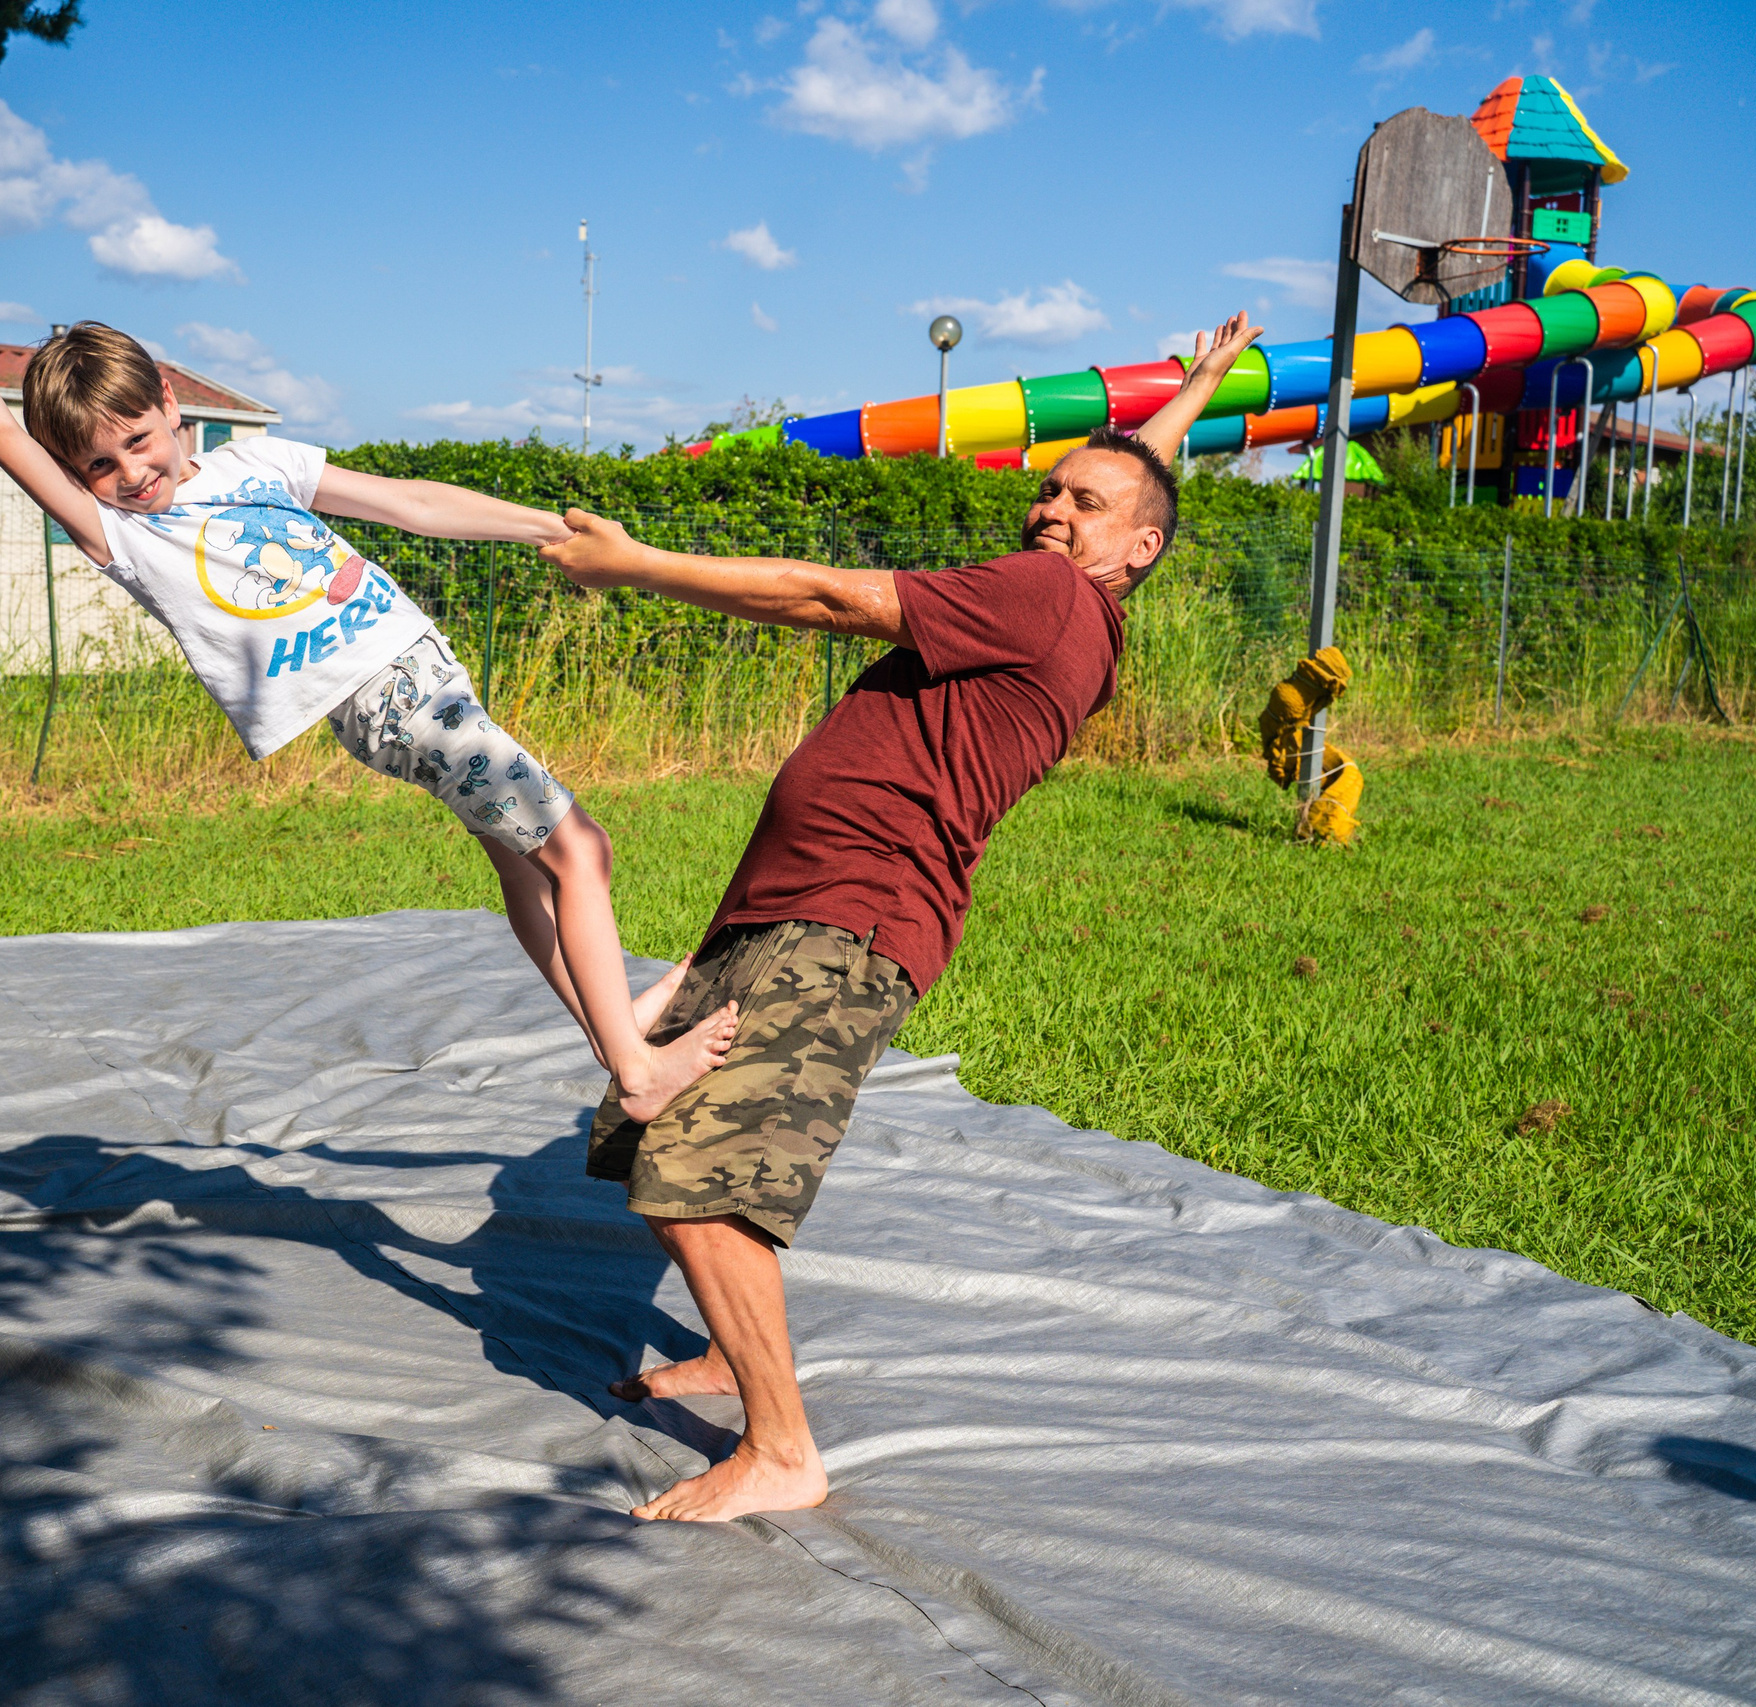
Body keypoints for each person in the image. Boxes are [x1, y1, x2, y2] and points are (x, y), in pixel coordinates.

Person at [537, 312, 1266, 1523]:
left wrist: (639, 567)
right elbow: (1137, 481)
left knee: (697, 1180)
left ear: (1133, 548)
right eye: (1043, 492)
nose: (1047, 512)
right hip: (781, 909)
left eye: (1079, 504)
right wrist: (1191, 393)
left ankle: (780, 1450)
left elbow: (829, 597)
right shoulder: (1086, 589)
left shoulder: (1045, 598)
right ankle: (730, 1354)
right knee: (642, 1129)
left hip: (850, 919)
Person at [0, 289, 737, 1117]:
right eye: (98, 463)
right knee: (581, 848)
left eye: (136, 440)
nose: (130, 471)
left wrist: (546, 526)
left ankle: (611, 1028)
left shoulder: (258, 462)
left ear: (168, 400)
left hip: (431, 678)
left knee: (521, 864)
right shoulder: (123, 535)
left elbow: (410, 504)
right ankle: (636, 1066)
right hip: (397, 704)